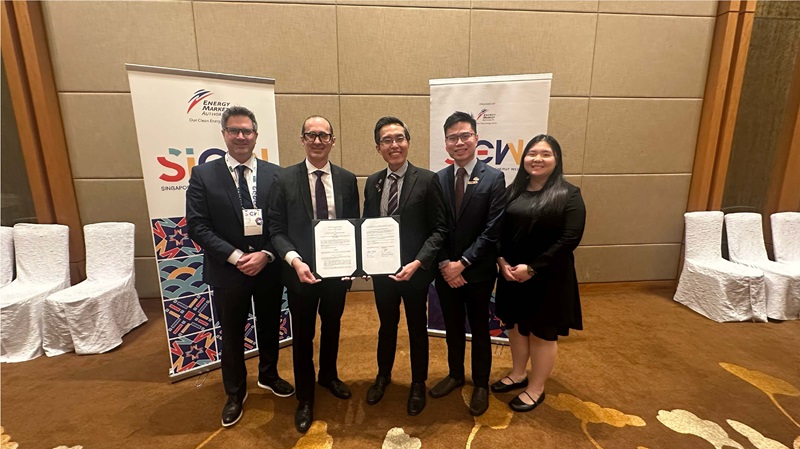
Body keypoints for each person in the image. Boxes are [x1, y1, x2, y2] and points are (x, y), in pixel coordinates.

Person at [186, 106, 294, 428]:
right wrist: (236, 256)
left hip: (269, 267)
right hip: (227, 271)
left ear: (256, 135)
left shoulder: (277, 174)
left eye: (247, 131)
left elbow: (285, 224)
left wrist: (266, 255)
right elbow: (198, 226)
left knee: (270, 326)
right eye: (234, 130)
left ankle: (269, 375)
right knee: (231, 335)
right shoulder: (203, 174)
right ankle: (235, 392)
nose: (241, 136)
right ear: (224, 135)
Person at [267, 115, 360, 433]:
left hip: (337, 273)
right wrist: (294, 261)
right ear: (302, 140)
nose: (318, 141)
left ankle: (329, 376)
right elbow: (276, 230)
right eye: (311, 135)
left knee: (332, 326)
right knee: (303, 336)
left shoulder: (347, 180)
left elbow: (353, 228)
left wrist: (353, 266)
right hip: (300, 273)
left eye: (324, 135)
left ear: (333, 140)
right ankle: (305, 397)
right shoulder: (284, 179)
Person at [490, 134, 586, 412]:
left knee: (542, 334)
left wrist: (533, 268)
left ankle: (536, 387)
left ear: (556, 160)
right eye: (532, 153)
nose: (537, 159)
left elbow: (570, 239)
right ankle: (518, 374)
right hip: (510, 273)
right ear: (524, 159)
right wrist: (500, 261)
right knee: (516, 327)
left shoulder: (570, 194)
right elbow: (496, 230)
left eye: (545, 154)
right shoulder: (512, 191)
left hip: (548, 276)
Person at [362, 117, 448, 416]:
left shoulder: (428, 179)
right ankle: (383, 376)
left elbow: (439, 230)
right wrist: (362, 262)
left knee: (416, 328)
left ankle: (417, 383)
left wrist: (418, 262)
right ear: (378, 147)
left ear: (408, 142)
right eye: (387, 140)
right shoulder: (373, 183)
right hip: (382, 273)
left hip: (415, 272)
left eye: (399, 138)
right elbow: (367, 227)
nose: (394, 145)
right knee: (386, 326)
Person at [430, 111, 506, 416]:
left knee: (478, 328)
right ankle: (454, 374)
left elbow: (493, 230)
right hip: (446, 271)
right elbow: (435, 227)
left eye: (465, 136)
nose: (459, 142)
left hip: (477, 272)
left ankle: (480, 384)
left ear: (476, 138)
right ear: (446, 144)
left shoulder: (494, 178)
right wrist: (447, 264)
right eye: (452, 138)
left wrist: (463, 263)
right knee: (451, 327)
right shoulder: (439, 179)